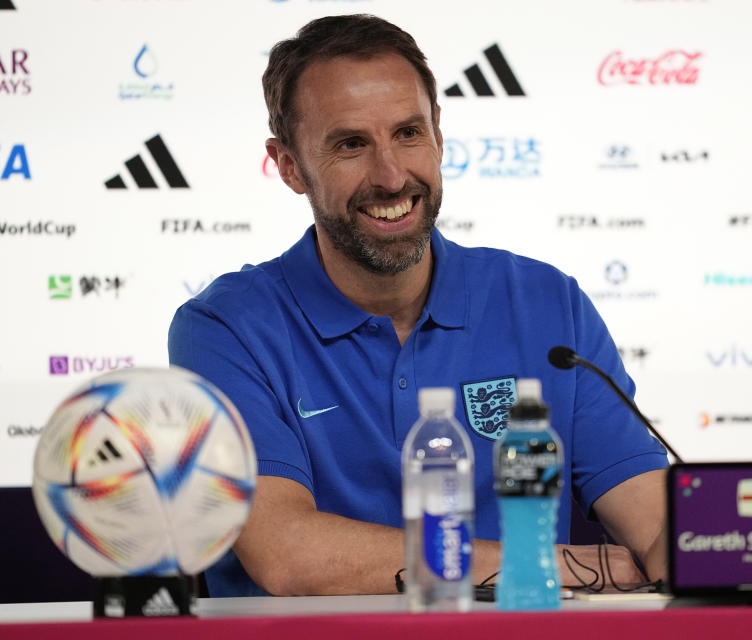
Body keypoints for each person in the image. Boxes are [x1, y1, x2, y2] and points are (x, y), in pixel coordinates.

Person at [168, 14, 668, 597]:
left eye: (408, 133)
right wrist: (549, 567)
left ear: (437, 132)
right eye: (351, 144)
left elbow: (656, 525)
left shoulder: (548, 303)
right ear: (288, 166)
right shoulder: (225, 327)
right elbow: (287, 555)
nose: (390, 175)